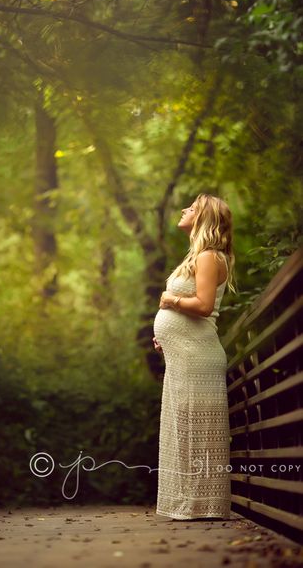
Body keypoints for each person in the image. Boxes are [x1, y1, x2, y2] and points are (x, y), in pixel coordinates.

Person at [152, 193, 236, 520]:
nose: (185, 209)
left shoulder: (209, 256)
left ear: (203, 219)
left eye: (192, 207)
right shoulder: (200, 256)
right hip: (184, 354)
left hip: (197, 357)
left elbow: (202, 306)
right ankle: (187, 504)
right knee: (183, 433)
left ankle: (203, 506)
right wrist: (167, 335)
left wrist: (169, 300)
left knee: (197, 436)